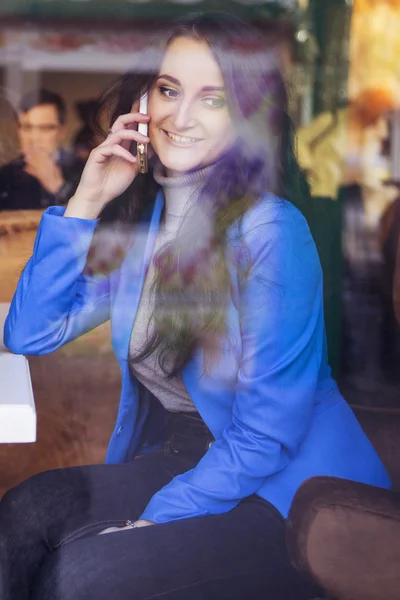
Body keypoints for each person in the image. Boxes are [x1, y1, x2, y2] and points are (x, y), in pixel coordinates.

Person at [0, 13, 391, 600]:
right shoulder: (143, 222)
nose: (180, 118)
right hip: (191, 453)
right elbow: (31, 332)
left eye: (214, 98)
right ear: (143, 98)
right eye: (168, 89)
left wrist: (153, 520)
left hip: (297, 494)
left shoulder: (271, 232)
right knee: (23, 514)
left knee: (83, 574)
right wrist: (85, 200)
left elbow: (265, 435)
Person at [0, 89, 84, 211]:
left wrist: (58, 187)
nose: (34, 138)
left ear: (62, 131)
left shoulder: (83, 171)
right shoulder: (3, 176)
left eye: (45, 128)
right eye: (27, 127)